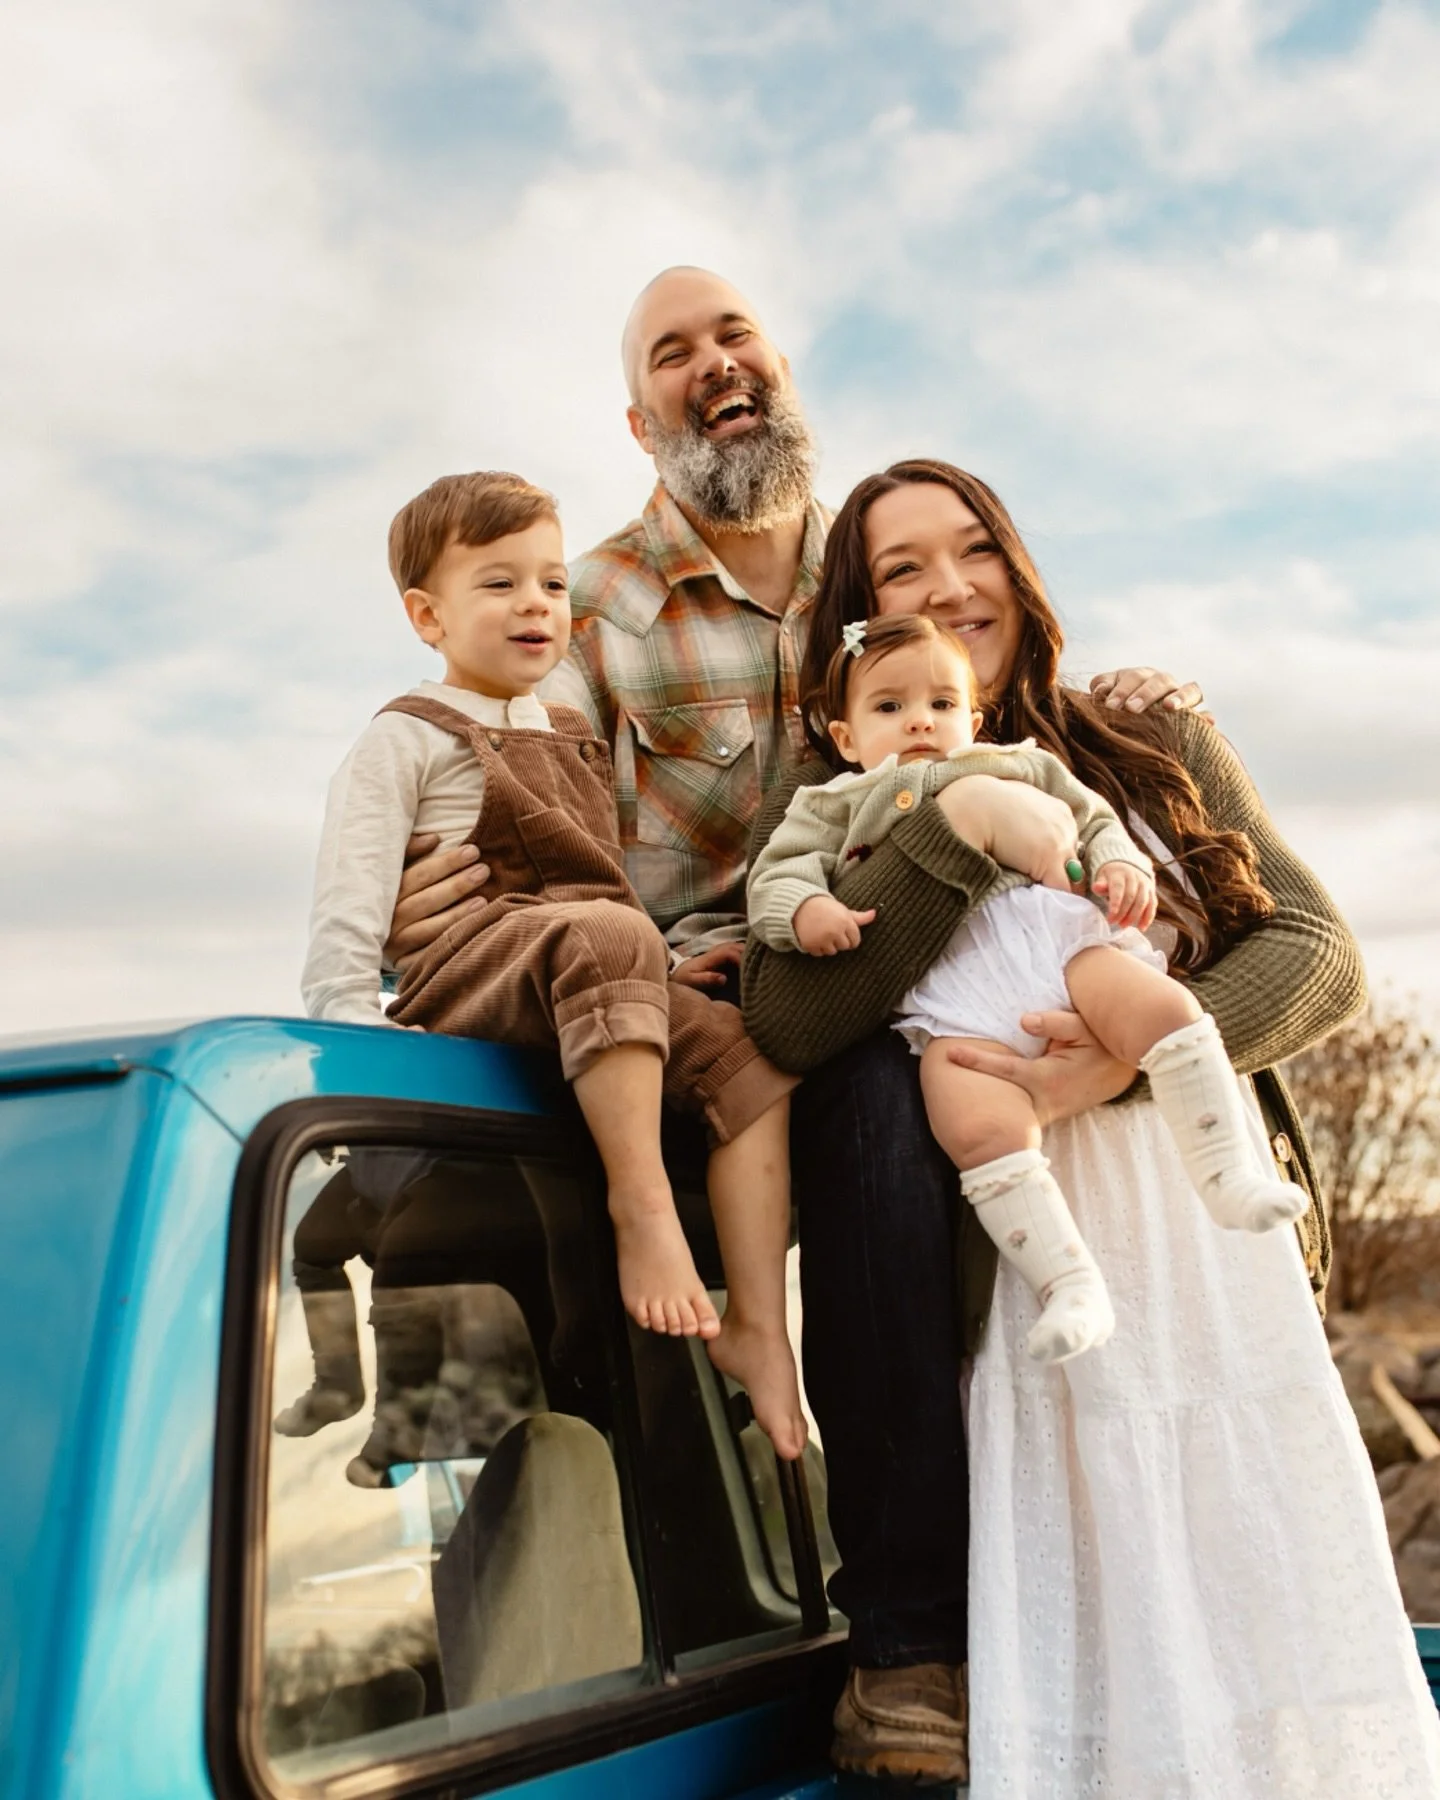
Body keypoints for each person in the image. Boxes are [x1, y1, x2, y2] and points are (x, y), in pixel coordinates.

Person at [381, 267, 1203, 1785]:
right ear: (641, 418)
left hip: (954, 970)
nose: (714, 367)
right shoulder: (600, 607)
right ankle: (905, 1651)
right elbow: (514, 767)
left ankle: (1100, 1609)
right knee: (872, 1122)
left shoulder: (869, 579)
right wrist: (448, 862)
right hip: (730, 990)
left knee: (975, 1122)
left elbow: (990, 694)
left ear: (784, 371)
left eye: (734, 334)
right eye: (672, 356)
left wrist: (1129, 711)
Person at [742, 457, 1440, 1797]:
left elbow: (1318, 955)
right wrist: (949, 819)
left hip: (1202, 1247)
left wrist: (1106, 1073)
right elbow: (792, 1019)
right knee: (1098, 1637)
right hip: (1017, 1272)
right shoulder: (855, 801)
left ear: (1017, 560)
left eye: (973, 548)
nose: (950, 585)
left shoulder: (1145, 742)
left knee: (1252, 1627)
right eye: (901, 570)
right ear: (856, 621)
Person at [301, 470, 807, 1459]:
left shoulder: (572, 733)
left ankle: (755, 1316)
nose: (535, 604)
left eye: (548, 584)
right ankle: (641, 1205)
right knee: (604, 938)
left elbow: (599, 883)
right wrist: (344, 1022)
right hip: (466, 968)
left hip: (588, 960)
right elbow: (352, 892)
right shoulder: (407, 735)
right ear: (426, 616)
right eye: (498, 585)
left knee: (751, 1060)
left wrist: (662, 968)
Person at [748, 610, 1310, 1367]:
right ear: (845, 737)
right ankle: (1068, 1283)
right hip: (953, 1001)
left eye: (942, 705)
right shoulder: (828, 804)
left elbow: (1096, 819)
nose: (920, 722)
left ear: (973, 719)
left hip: (1055, 945)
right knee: (975, 1124)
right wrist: (806, 909)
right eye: (889, 707)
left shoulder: (1019, 765)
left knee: (1165, 1009)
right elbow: (776, 877)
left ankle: (1226, 1176)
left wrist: (1123, 866)